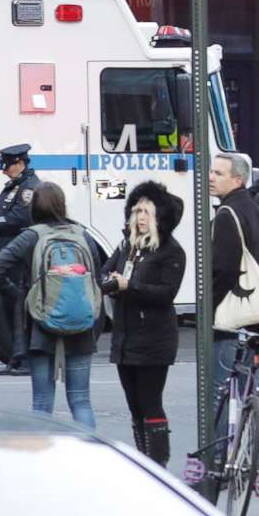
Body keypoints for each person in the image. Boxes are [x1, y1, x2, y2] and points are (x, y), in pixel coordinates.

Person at [0, 182, 111, 429]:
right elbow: (96, 278)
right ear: (62, 204)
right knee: (81, 400)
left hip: (40, 327)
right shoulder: (82, 235)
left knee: (42, 402)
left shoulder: (31, 236)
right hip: (81, 325)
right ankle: (90, 455)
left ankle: (42, 458)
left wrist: (22, 298)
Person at [104, 183, 186, 465]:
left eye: (146, 212)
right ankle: (143, 461)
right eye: (137, 210)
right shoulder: (127, 246)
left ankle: (157, 464)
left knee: (150, 403)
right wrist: (111, 282)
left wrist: (131, 286)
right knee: (134, 407)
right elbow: (106, 273)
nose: (140, 217)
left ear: (158, 217)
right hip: (125, 337)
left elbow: (166, 293)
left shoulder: (171, 251)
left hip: (153, 340)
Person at [208, 152, 259, 474]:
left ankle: (222, 460)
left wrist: (211, 311)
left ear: (237, 180)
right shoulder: (257, 211)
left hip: (232, 318)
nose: (211, 177)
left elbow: (221, 270)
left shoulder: (226, 215)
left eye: (218, 173)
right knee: (258, 391)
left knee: (223, 390)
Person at [0, 143, 42, 376]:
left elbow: (19, 217)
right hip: (5, 253)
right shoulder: (14, 187)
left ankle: (24, 358)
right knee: (13, 309)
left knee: (20, 308)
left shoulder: (28, 188)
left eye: (7, 166)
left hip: (17, 258)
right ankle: (17, 357)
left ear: (19, 163)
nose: (4, 171)